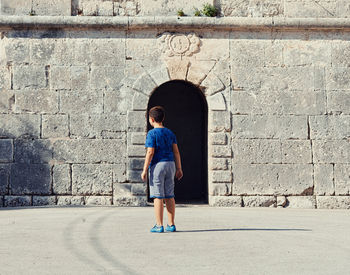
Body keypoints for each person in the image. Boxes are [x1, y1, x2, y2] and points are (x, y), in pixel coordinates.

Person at [141, 106, 183, 233]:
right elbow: (176, 152)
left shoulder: (151, 134)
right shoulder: (170, 133)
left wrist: (144, 170)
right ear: (162, 118)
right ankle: (171, 224)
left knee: (158, 196)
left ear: (151, 119)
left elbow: (150, 152)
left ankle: (159, 225)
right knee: (170, 195)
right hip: (170, 164)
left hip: (157, 166)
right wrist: (179, 168)